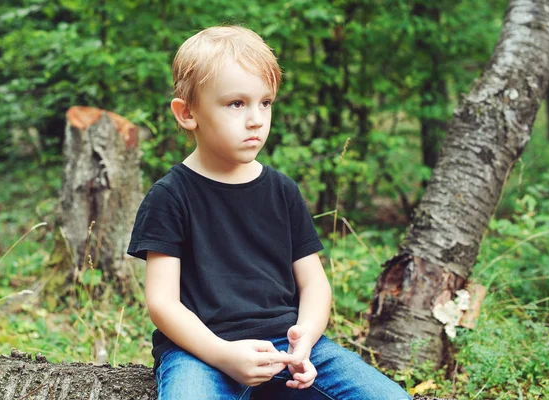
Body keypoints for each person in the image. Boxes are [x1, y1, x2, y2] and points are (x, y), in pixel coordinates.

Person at [127, 25, 411, 400]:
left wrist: (305, 339)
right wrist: (224, 355)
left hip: (286, 347)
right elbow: (162, 303)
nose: (256, 119)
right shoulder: (170, 196)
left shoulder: (282, 191)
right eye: (236, 104)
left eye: (265, 102)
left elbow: (314, 284)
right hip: (201, 352)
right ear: (187, 113)